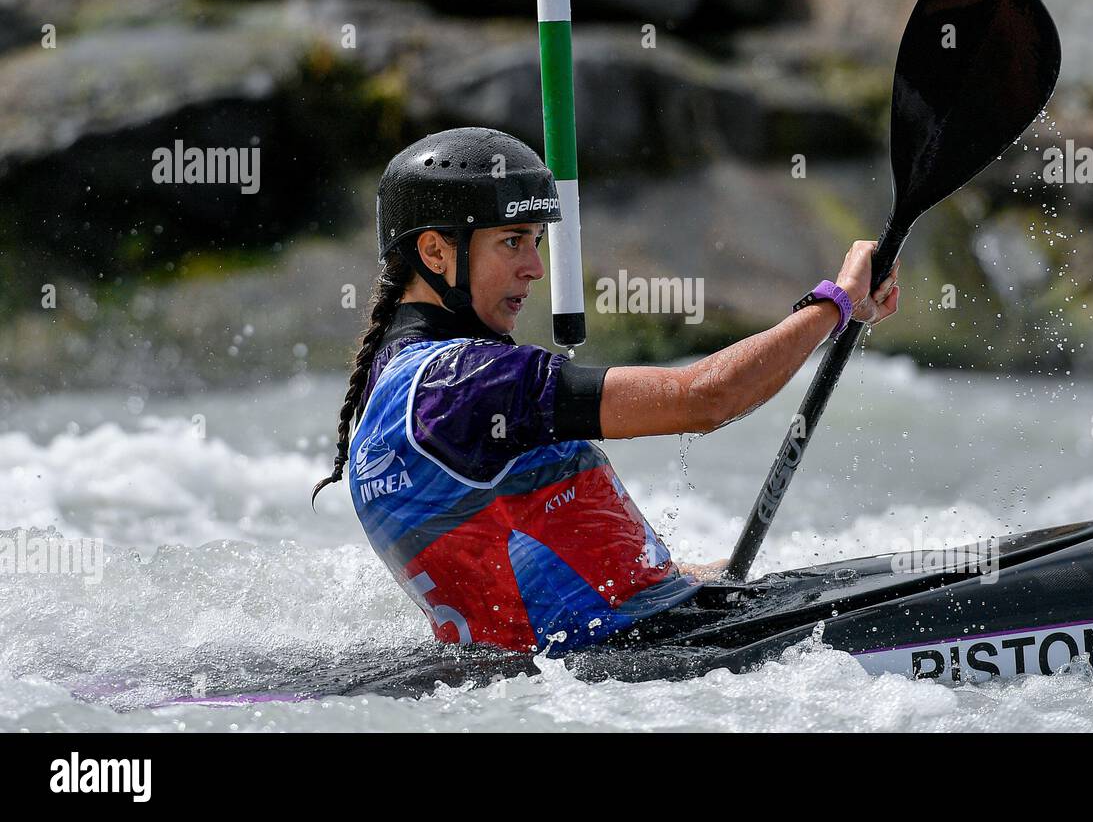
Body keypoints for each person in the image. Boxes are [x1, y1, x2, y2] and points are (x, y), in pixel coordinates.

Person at [312, 127, 900, 655]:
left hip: (599, 659)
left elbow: (531, 558)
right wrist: (836, 305)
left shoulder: (393, 384)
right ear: (436, 251)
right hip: (645, 658)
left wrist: (690, 576)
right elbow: (703, 398)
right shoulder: (468, 384)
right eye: (511, 241)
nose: (535, 269)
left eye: (537, 242)